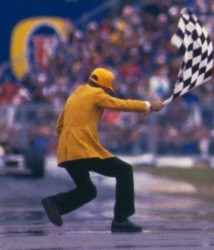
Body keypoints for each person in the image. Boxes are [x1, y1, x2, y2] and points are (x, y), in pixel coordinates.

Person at [40, 67, 164, 233]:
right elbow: (121, 104)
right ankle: (121, 219)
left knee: (87, 191)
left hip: (66, 152)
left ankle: (55, 202)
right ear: (105, 87)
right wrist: (148, 106)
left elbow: (59, 126)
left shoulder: (75, 95)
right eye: (108, 90)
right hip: (84, 149)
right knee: (124, 171)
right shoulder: (96, 94)